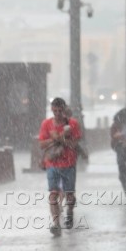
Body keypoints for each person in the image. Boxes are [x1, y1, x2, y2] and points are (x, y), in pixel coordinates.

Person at [38, 97, 82, 236]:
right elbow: (41, 144)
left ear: (64, 110)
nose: (57, 113)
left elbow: (75, 144)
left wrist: (64, 139)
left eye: (60, 110)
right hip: (52, 163)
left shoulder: (73, 124)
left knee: (69, 194)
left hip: (69, 163)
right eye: (55, 110)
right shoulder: (46, 124)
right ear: (51, 109)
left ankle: (69, 211)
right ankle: (56, 224)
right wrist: (56, 138)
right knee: (53, 194)